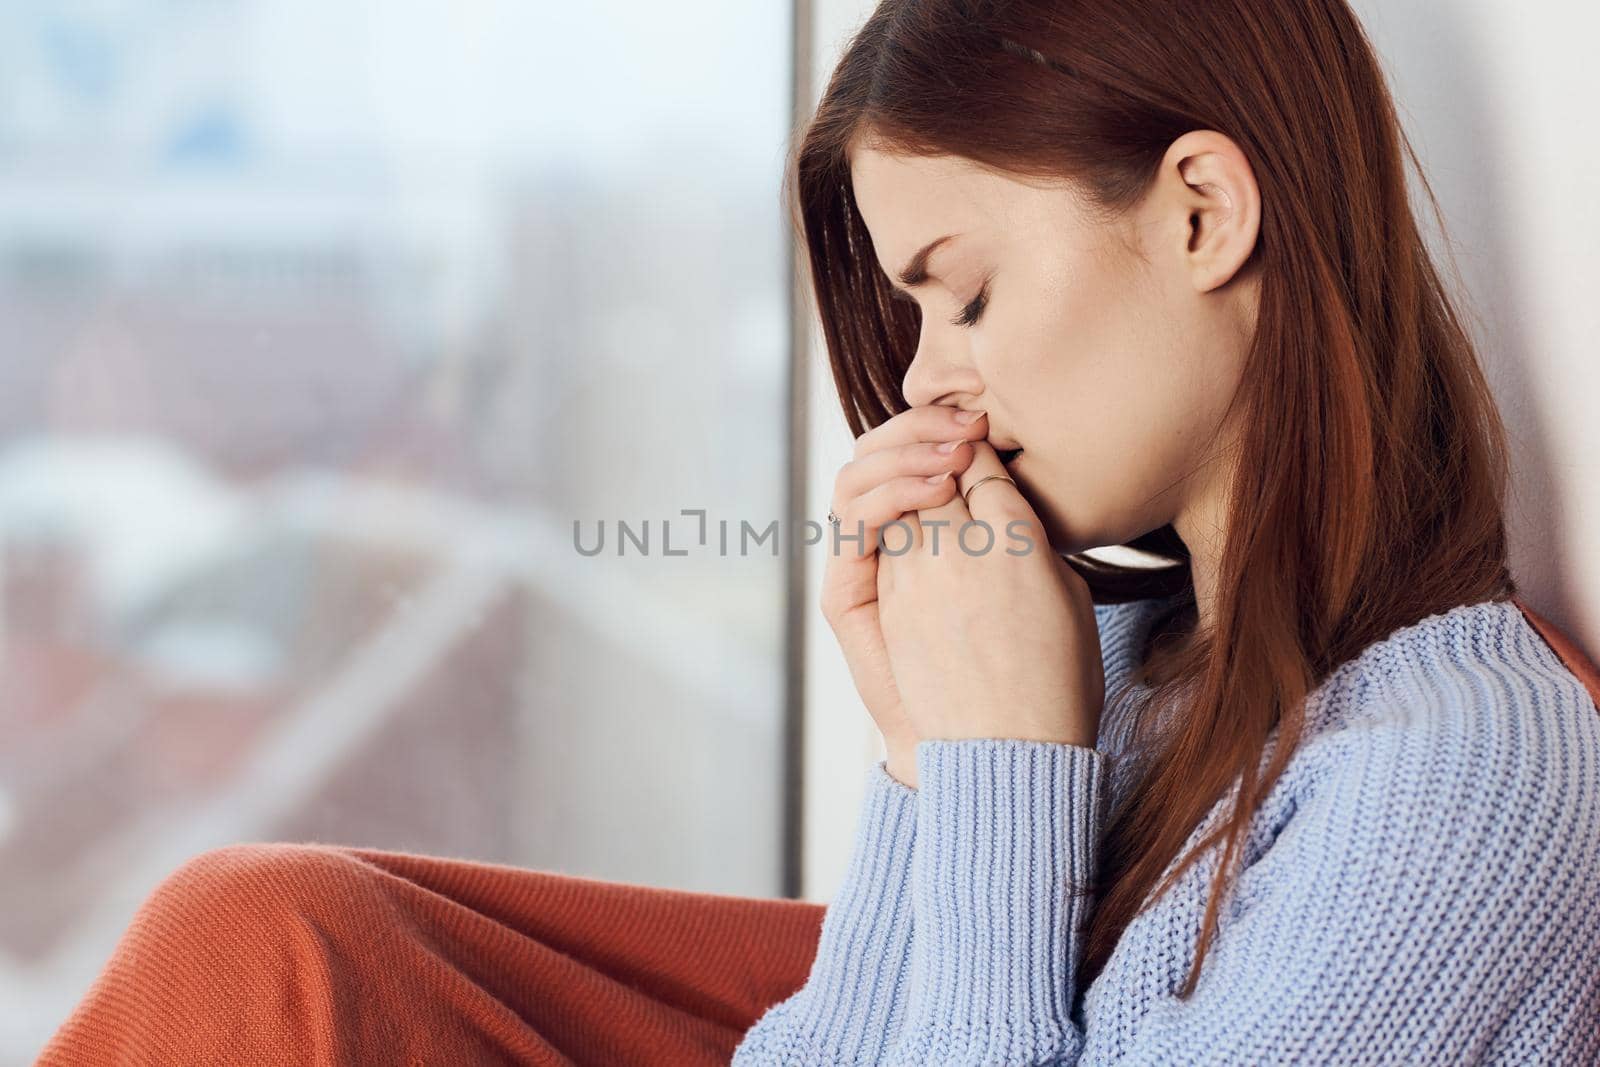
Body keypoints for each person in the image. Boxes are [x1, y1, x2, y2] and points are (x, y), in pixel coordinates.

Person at [38, 0, 1600, 1064]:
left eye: (966, 290)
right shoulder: (1119, 668)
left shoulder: (1461, 773)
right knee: (253, 943)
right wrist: (932, 760)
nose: (928, 383)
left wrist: (993, 773)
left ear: (1203, 211)